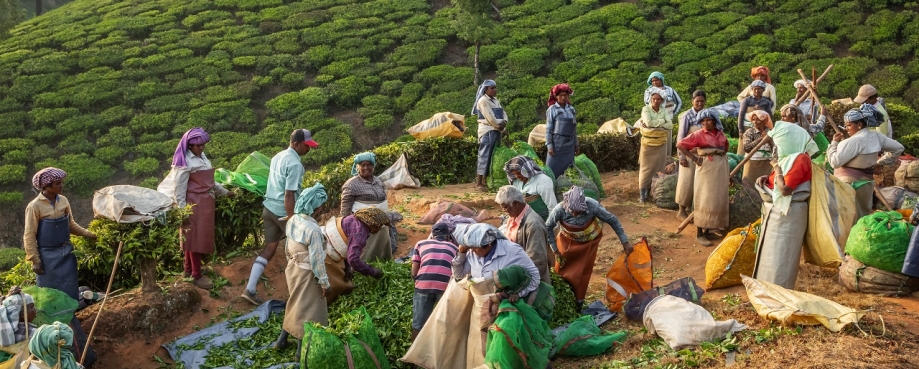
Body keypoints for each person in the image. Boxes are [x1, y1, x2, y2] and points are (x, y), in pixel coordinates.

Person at [23, 167, 97, 366]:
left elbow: (70, 225)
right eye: (58, 184)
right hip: (47, 256)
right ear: (47, 186)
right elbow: (29, 235)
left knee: (69, 292)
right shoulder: (35, 206)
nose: (61, 186)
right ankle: (54, 330)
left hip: (65, 253)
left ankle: (72, 325)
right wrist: (35, 259)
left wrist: (90, 235)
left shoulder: (63, 201)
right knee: (49, 295)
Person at [241, 129, 318, 305]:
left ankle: (250, 289)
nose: (309, 149)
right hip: (283, 212)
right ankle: (301, 293)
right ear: (296, 144)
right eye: (307, 146)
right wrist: (293, 220)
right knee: (300, 250)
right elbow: (289, 195)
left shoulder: (278, 156)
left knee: (270, 248)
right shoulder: (295, 165)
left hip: (268, 208)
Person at [157, 128, 234, 290]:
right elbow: (179, 189)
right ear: (190, 146)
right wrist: (183, 210)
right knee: (194, 238)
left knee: (196, 236)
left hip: (205, 202)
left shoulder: (202, 157)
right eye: (199, 146)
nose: (202, 148)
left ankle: (188, 269)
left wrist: (225, 193)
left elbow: (210, 182)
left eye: (203, 145)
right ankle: (196, 275)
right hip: (193, 203)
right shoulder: (184, 163)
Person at [752, 117, 816, 289]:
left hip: (788, 215)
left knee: (781, 258)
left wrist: (776, 168)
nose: (776, 148)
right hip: (778, 213)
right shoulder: (789, 157)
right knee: (769, 254)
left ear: (789, 141)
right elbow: (779, 181)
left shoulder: (800, 159)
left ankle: (778, 294)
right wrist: (768, 178)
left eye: (778, 143)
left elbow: (786, 189)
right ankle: (765, 290)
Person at [545, 186, 632, 311]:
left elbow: (613, 220)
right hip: (567, 242)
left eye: (578, 212)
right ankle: (559, 299)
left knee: (584, 271)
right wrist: (555, 250)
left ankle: (579, 301)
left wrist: (625, 242)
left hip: (589, 243)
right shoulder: (559, 209)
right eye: (572, 211)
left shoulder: (592, 205)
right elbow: (548, 227)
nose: (575, 214)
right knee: (561, 270)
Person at [272, 183, 330, 358]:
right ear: (317, 207)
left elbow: (287, 245)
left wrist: (291, 263)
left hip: (293, 267)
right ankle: (300, 353)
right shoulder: (313, 230)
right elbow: (317, 260)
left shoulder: (294, 219)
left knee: (295, 302)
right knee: (308, 309)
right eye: (321, 205)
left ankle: (281, 340)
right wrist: (324, 282)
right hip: (307, 272)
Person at [827, 104, 904, 220]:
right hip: (866, 185)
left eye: (849, 125)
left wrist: (833, 144)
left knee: (846, 218)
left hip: (848, 185)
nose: (846, 128)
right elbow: (899, 148)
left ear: (859, 125)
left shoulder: (852, 141)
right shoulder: (877, 136)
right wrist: (881, 162)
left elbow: (834, 162)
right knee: (862, 216)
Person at [676, 109, 730, 246]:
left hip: (720, 169)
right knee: (704, 198)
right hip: (706, 168)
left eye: (708, 120)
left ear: (715, 121)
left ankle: (710, 229)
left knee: (718, 198)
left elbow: (725, 149)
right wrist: (694, 158)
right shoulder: (698, 134)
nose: (705, 123)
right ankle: (699, 233)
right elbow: (680, 145)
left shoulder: (721, 134)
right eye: (703, 121)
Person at [450, 223, 541, 299]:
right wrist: (461, 253)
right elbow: (459, 275)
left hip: (504, 305)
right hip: (480, 303)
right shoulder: (472, 254)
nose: (472, 251)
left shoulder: (513, 251)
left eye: (475, 249)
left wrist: (518, 294)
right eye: (470, 248)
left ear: (488, 244)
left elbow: (535, 276)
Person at [340, 152, 397, 260]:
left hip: (382, 224)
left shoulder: (377, 181)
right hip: (364, 227)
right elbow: (345, 210)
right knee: (365, 253)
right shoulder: (351, 184)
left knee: (382, 251)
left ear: (373, 166)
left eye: (369, 165)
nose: (366, 168)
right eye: (363, 165)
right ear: (358, 167)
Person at [410, 223, 458, 341]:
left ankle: (413, 354)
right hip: (445, 286)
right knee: (445, 322)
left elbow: (414, 272)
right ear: (448, 236)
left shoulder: (420, 243)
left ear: (432, 235)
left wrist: (418, 282)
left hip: (423, 285)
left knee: (418, 324)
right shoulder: (454, 247)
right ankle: (441, 351)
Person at [495, 185, 552, 283]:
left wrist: (522, 285)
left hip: (527, 280)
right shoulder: (513, 217)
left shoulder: (533, 225)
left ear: (516, 204)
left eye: (505, 207)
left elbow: (536, 260)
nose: (504, 211)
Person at [675, 91, 718, 219]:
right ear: (692, 101)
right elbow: (681, 137)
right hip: (688, 154)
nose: (699, 103)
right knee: (686, 182)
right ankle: (681, 210)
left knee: (699, 183)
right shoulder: (687, 116)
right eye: (697, 101)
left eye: (702, 101)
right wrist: (681, 156)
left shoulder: (707, 114)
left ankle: (693, 209)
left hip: (702, 155)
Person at [637, 88, 673, 203]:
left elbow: (670, 125)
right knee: (646, 169)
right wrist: (662, 122)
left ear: (662, 100)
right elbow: (648, 123)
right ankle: (642, 196)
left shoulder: (663, 110)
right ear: (650, 99)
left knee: (659, 168)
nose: (656, 101)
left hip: (660, 144)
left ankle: (653, 193)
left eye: (658, 99)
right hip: (648, 145)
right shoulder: (646, 109)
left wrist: (656, 124)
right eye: (654, 99)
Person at [473, 79, 508, 191]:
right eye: (492, 88)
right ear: (486, 90)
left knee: (493, 156)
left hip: (497, 130)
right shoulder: (483, 101)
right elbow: (490, 118)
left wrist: (504, 123)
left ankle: (486, 181)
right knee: (484, 155)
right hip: (487, 130)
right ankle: (479, 183)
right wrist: (501, 127)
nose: (494, 90)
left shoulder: (496, 100)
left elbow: (503, 113)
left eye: (495, 88)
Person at [342, 207, 393, 279]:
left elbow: (348, 247)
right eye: (379, 226)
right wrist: (373, 272)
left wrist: (347, 267)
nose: (379, 229)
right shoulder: (360, 233)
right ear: (372, 224)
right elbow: (353, 259)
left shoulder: (354, 219)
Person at [545, 83, 578, 179]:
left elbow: (574, 128)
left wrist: (576, 144)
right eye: (561, 96)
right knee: (553, 168)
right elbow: (549, 128)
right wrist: (550, 146)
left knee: (569, 168)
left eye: (565, 95)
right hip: (557, 143)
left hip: (569, 143)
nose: (563, 98)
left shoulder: (571, 109)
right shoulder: (552, 109)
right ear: (556, 96)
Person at [742, 110, 775, 185]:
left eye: (758, 119)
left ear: (764, 120)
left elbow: (776, 150)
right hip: (752, 164)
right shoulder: (749, 132)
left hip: (767, 165)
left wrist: (769, 141)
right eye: (753, 119)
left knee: (765, 186)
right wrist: (760, 139)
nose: (755, 122)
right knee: (749, 187)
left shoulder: (771, 132)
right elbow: (746, 148)